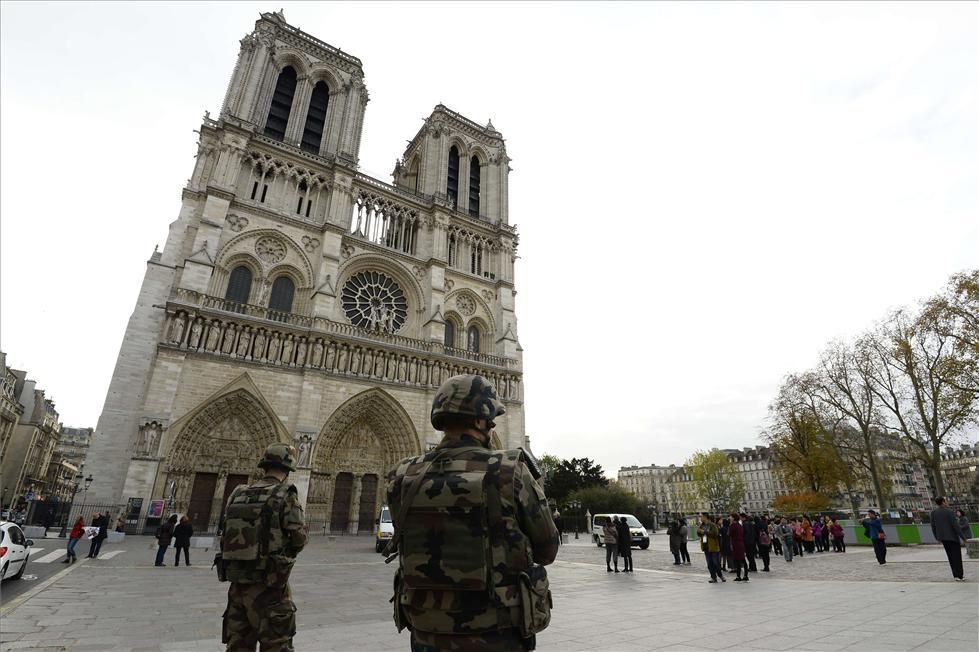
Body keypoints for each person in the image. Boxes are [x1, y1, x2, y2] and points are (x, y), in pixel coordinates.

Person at [385, 374, 558, 651]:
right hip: (495, 630)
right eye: (490, 421)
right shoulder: (508, 469)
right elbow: (547, 549)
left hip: (426, 629)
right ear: (480, 420)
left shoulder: (402, 474)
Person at [219, 443, 308, 651]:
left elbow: (225, 533)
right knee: (277, 645)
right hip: (269, 586)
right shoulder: (285, 495)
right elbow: (299, 538)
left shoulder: (238, 493)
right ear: (287, 469)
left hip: (237, 586)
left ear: (264, 466)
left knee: (237, 646)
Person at [930, 498, 965, 581]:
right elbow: (955, 526)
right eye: (946, 501)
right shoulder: (949, 512)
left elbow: (933, 526)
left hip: (943, 538)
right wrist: (963, 537)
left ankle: (955, 574)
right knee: (957, 556)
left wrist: (937, 537)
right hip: (952, 537)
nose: (947, 502)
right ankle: (959, 574)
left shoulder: (933, 513)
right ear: (943, 502)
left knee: (950, 556)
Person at [698, 513, 725, 583]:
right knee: (709, 564)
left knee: (716, 563)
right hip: (705, 547)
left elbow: (715, 533)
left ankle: (720, 575)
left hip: (713, 547)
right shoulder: (702, 525)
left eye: (702, 517)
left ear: (705, 517)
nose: (701, 518)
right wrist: (699, 531)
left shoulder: (712, 525)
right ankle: (713, 577)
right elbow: (698, 533)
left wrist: (705, 532)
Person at [729, 513, 748, 582]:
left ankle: (738, 576)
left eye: (730, 517)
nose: (729, 518)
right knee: (743, 559)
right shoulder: (739, 525)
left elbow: (729, 534)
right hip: (741, 543)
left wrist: (730, 524)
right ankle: (745, 575)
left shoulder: (733, 525)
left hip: (735, 544)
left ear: (733, 518)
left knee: (737, 561)